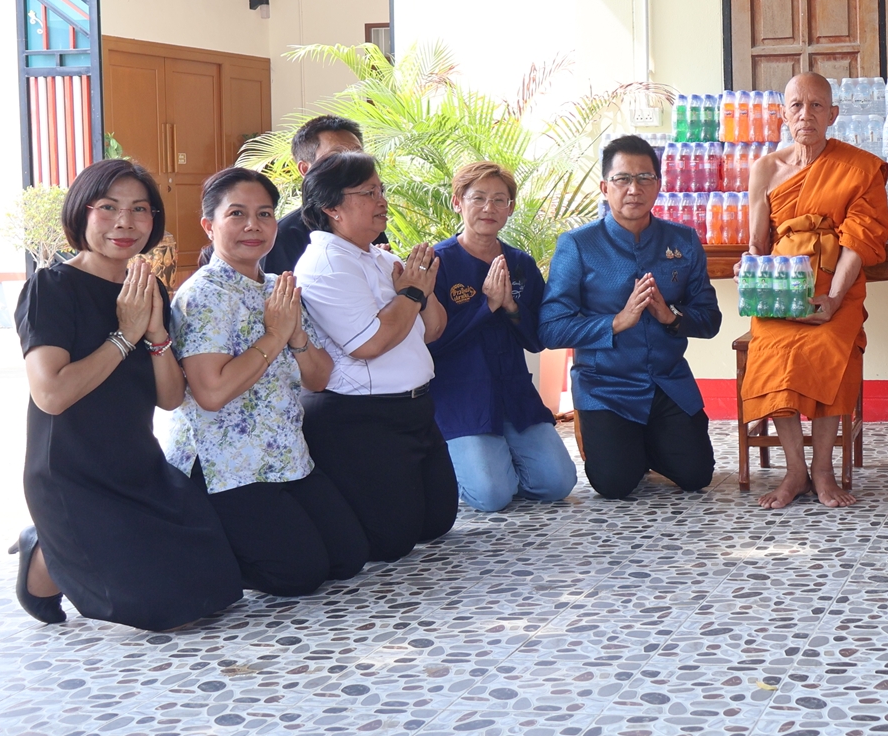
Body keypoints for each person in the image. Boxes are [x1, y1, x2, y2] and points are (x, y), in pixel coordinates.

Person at [10, 158, 243, 629]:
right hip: (71, 474)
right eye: (109, 207)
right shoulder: (50, 289)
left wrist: (155, 333)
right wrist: (124, 335)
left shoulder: (148, 287)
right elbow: (51, 394)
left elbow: (171, 398)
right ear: (81, 212)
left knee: (216, 589)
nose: (125, 222)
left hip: (138, 465)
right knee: (158, 609)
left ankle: (56, 541)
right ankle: (47, 553)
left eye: (140, 209)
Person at [166, 167, 368, 596]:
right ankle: (185, 542)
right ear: (209, 225)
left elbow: (318, 377)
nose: (253, 226)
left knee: (348, 557)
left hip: (283, 453)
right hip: (225, 465)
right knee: (297, 575)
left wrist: (294, 336)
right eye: (237, 214)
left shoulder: (279, 287)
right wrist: (275, 335)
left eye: (265, 213)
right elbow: (211, 393)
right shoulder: (202, 295)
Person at [293, 151, 458, 562]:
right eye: (368, 192)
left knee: (438, 522)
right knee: (391, 543)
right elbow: (369, 343)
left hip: (415, 409)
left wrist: (424, 287)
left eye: (380, 190)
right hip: (362, 418)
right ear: (331, 207)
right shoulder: (325, 263)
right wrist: (412, 294)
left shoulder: (381, 256)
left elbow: (434, 328)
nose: (381, 200)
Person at [741, 74, 888, 509]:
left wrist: (833, 300)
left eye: (816, 106)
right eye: (796, 106)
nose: (805, 114)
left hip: (835, 286)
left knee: (833, 350)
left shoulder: (860, 168)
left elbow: (859, 242)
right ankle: (795, 472)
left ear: (833, 114)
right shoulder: (766, 170)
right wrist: (752, 269)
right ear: (782, 115)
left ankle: (823, 471)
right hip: (783, 290)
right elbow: (758, 242)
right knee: (774, 356)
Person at [543, 136, 722, 499]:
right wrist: (616, 322)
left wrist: (669, 316)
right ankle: (623, 444)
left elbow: (710, 319)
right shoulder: (578, 245)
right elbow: (550, 328)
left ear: (659, 184)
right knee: (615, 484)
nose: (634, 189)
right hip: (606, 385)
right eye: (623, 179)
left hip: (667, 381)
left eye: (645, 178)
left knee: (697, 475)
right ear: (605, 186)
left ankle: (648, 443)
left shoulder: (683, 240)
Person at [429, 161, 577, 511]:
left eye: (499, 200)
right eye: (477, 198)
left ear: (510, 208)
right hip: (463, 397)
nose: (488, 208)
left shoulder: (520, 264)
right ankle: (469, 463)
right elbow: (431, 341)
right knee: (491, 496)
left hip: (514, 393)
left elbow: (538, 339)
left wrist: (510, 306)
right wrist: (486, 306)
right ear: (457, 202)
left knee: (558, 483)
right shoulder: (437, 262)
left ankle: (499, 463)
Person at [206, 115, 370, 274]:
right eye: (337, 157)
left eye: (357, 156)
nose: (353, 166)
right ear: (305, 169)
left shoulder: (368, 224)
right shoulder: (284, 236)